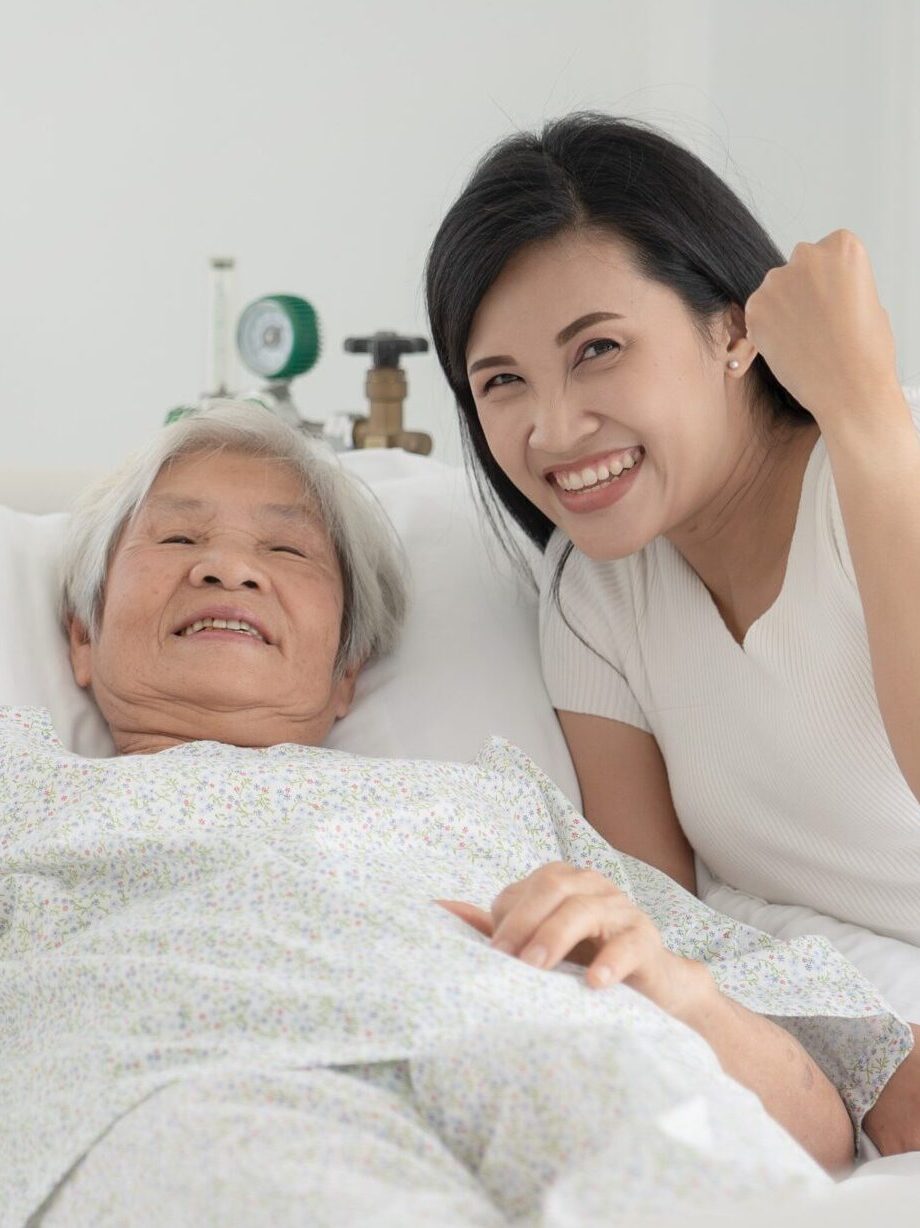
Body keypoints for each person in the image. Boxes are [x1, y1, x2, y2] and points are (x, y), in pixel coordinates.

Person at [1, 403, 912, 1226]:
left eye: (286, 551)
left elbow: (824, 1130)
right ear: (82, 635)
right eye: (175, 539)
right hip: (200, 1080)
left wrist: (671, 990)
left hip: (547, 1044)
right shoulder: (25, 795)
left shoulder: (499, 808)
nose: (227, 568)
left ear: (346, 669)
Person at [425, 113, 920, 1153]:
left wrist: (867, 414)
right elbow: (667, 921)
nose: (550, 431)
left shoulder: (879, 463)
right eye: (501, 380)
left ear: (734, 329)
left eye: (596, 349)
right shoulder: (594, 599)